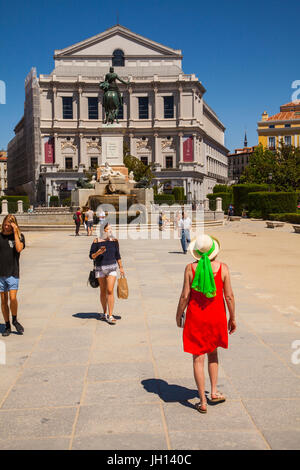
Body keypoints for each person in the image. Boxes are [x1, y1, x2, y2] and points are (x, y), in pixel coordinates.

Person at [176, 234, 236, 413]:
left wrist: (179, 314)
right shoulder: (223, 268)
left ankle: (202, 401)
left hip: (196, 317)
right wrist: (232, 317)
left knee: (198, 358)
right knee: (213, 354)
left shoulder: (190, 268)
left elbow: (185, 296)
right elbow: (229, 296)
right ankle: (214, 392)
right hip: (216, 317)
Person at [89, 223, 125, 325]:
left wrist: (121, 267)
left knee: (110, 290)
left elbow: (117, 255)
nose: (111, 231)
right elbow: (91, 256)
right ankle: (104, 312)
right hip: (100, 268)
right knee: (103, 291)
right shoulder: (96, 241)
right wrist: (98, 252)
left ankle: (110, 315)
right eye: (108, 229)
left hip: (111, 268)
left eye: (111, 229)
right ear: (103, 230)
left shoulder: (114, 241)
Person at [0, 215, 25, 337]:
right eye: (5, 223)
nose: (6, 226)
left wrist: (15, 232)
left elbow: (19, 249)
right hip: (0, 273)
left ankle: (15, 319)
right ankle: (7, 325)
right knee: (3, 301)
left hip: (13, 272)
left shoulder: (19, 237)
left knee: (13, 298)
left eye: (9, 224)